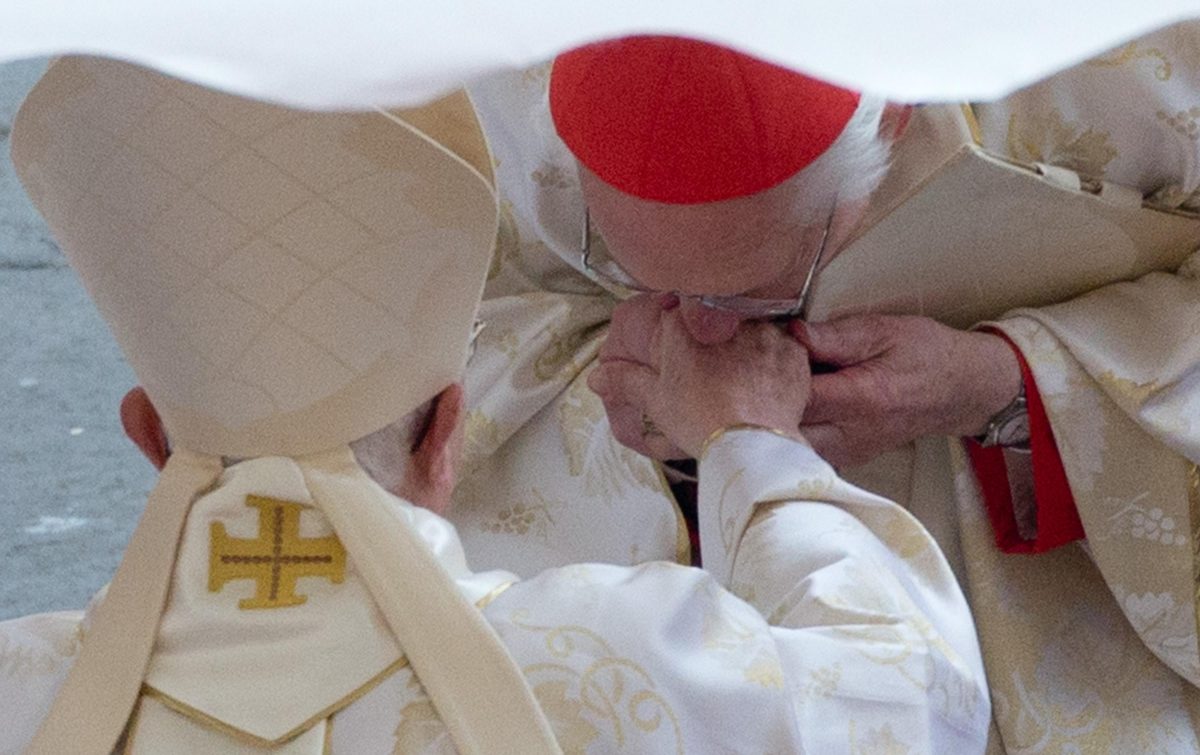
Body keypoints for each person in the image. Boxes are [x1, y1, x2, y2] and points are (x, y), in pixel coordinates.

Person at [0, 56, 989, 754]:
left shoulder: (22, 683)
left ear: (147, 433)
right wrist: (755, 445)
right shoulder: (609, 662)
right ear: (448, 430)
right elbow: (911, 699)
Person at [539, 34, 1200, 753]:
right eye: (654, 283)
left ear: (891, 119)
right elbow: (495, 322)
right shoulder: (506, 66)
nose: (702, 329)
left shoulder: (1139, 63)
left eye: (750, 290)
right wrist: (651, 416)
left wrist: (997, 383)